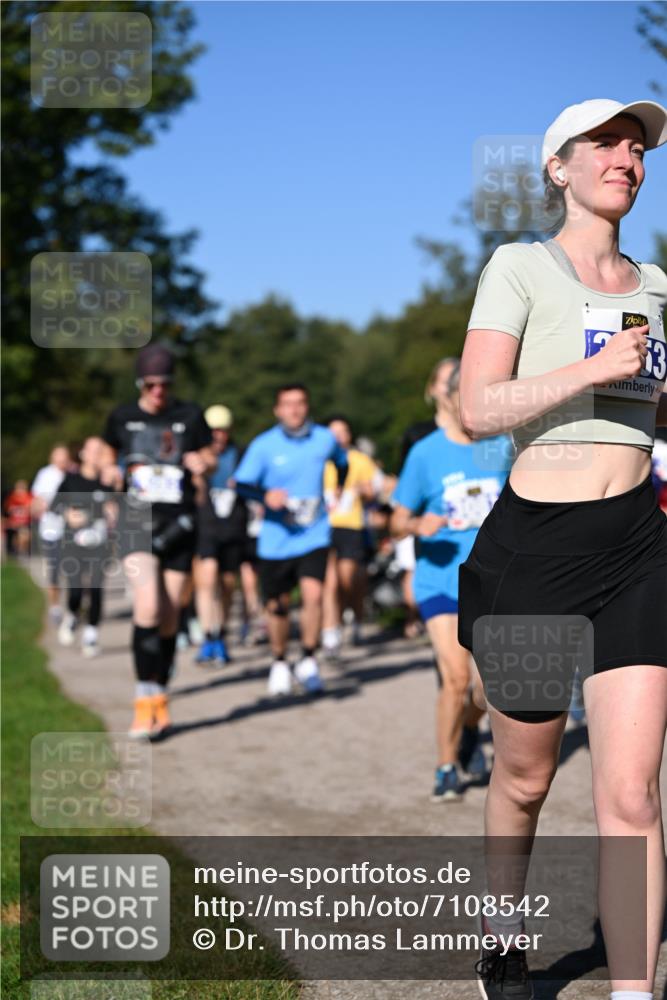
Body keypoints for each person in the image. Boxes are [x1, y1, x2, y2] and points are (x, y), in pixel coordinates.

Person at [457, 99, 667, 1000]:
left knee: (631, 797)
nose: (625, 157)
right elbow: (477, 409)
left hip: (636, 548)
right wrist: (592, 367)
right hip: (535, 554)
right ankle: (501, 939)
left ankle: (630, 992)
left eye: (637, 146)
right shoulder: (518, 267)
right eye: (605, 144)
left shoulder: (657, 285)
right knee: (524, 775)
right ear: (557, 168)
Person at [392, 358, 510, 801]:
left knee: (486, 689)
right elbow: (396, 519)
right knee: (456, 679)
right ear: (452, 397)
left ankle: (467, 733)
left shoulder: (502, 448)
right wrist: (415, 525)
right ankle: (445, 768)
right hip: (440, 578)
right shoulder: (426, 453)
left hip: (490, 582)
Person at [101, 345, 215, 739]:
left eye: (164, 385)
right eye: (151, 385)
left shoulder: (189, 416)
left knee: (169, 617)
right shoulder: (122, 417)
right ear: (140, 384)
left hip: (180, 522)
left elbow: (208, 456)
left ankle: (160, 695)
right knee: (148, 605)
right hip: (137, 520)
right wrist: (108, 472)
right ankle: (142, 700)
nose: (158, 393)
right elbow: (104, 454)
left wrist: (204, 463)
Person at [234, 383, 348, 696]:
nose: (294, 410)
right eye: (287, 404)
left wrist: (338, 486)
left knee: (313, 596)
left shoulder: (324, 438)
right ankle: (280, 661)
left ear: (307, 406)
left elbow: (342, 461)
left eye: (300, 403)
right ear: (277, 410)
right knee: (277, 605)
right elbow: (241, 485)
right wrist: (264, 495)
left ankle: (309, 659)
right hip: (275, 539)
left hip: (314, 534)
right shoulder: (263, 445)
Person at [321, 415, 385, 657]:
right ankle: (330, 633)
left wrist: (367, 491)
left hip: (352, 527)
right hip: (323, 528)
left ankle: (354, 618)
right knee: (330, 582)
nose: (338, 436)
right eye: (333, 432)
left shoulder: (360, 460)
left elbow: (379, 488)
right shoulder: (319, 461)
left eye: (343, 431)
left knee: (348, 580)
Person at [193, 404, 247, 664]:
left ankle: (221, 633)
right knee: (207, 578)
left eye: (222, 431)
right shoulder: (197, 455)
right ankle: (207, 636)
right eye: (213, 431)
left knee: (226, 583)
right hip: (206, 524)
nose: (218, 436)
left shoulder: (239, 454)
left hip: (233, 526)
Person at [51, 438, 112, 657]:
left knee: (96, 589)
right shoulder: (71, 480)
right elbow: (54, 506)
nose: (97, 455)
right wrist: (68, 513)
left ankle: (91, 636)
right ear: (84, 454)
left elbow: (121, 510)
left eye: (101, 451)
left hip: (100, 542)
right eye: (93, 451)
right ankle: (72, 614)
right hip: (73, 542)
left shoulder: (107, 482)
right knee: (76, 589)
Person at [31, 445, 72, 621]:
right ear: (52, 458)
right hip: (51, 530)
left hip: (72, 531)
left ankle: (74, 608)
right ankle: (55, 607)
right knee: (54, 570)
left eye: (64, 457)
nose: (62, 461)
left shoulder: (73, 473)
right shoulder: (45, 475)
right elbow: (37, 500)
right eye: (59, 457)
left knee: (73, 570)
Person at [3, 480, 33, 557]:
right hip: (13, 523)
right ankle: (14, 551)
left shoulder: (29, 498)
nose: (20, 490)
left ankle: (22, 552)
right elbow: (6, 512)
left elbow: (33, 512)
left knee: (24, 533)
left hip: (25, 523)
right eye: (19, 488)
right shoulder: (11, 498)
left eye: (22, 488)